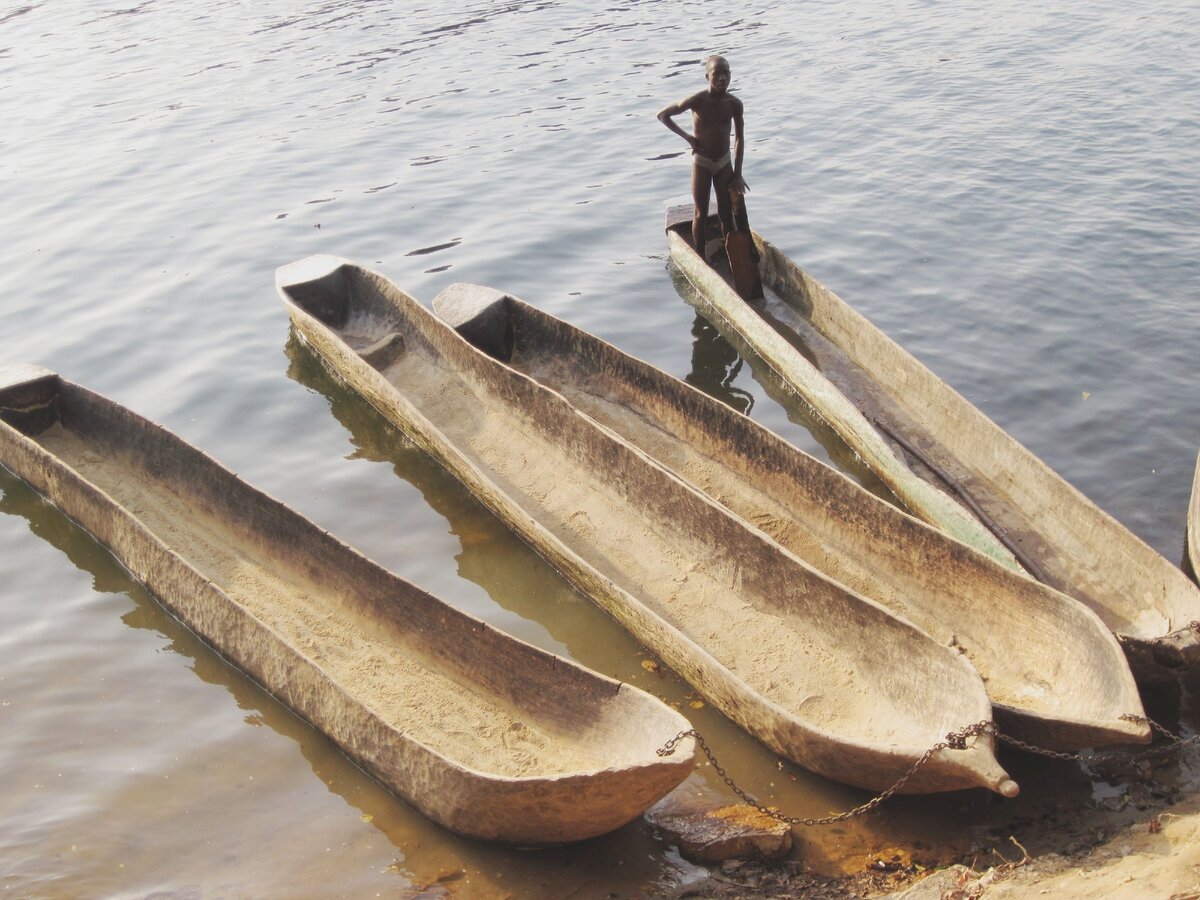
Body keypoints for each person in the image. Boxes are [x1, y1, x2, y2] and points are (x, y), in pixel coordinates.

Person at [657, 55, 748, 262]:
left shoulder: (734, 104)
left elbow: (739, 138)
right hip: (702, 163)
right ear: (708, 76)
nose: (722, 79)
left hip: (724, 162)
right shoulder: (697, 100)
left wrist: (738, 173)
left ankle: (732, 255)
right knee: (701, 212)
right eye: (717, 74)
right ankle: (700, 258)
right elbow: (663, 115)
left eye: (726, 74)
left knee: (726, 213)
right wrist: (688, 138)